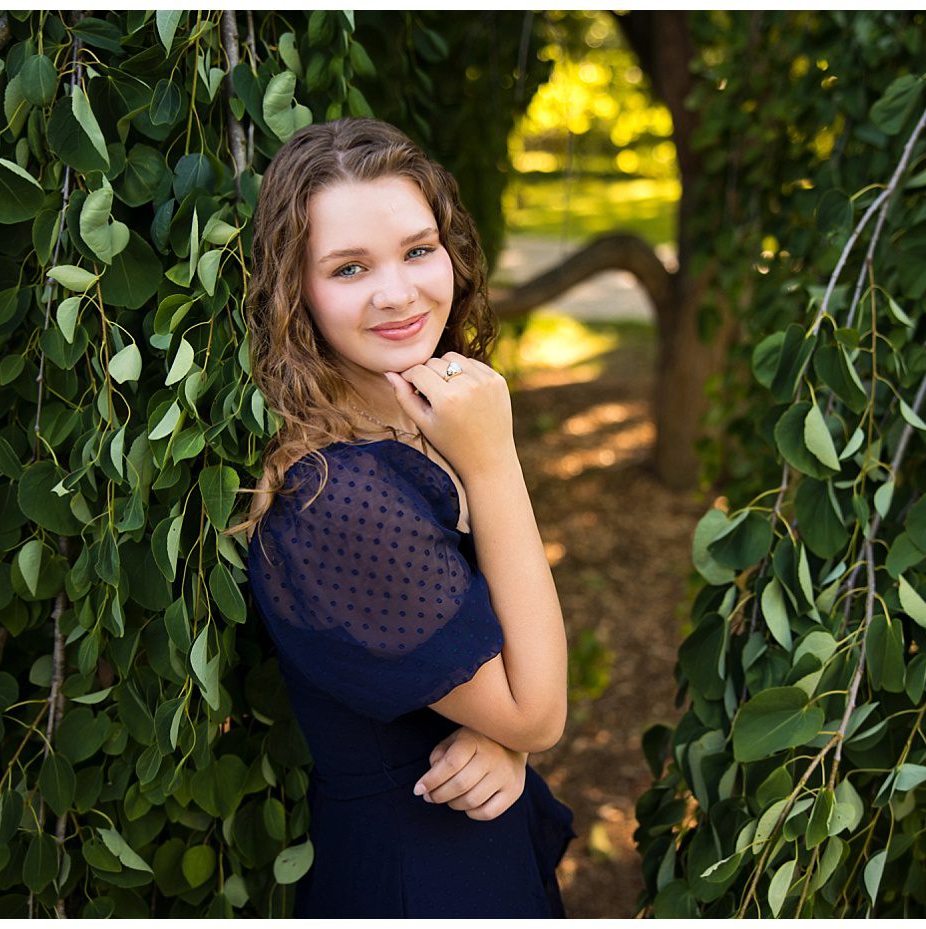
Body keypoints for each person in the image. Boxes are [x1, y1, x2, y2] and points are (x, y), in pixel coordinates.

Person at [238, 118, 577, 917]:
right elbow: (540, 705)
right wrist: (496, 462)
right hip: (419, 880)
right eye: (349, 267)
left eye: (419, 250)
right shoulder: (333, 498)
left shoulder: (418, 417)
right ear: (295, 290)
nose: (399, 293)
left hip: (471, 851)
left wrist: (508, 743)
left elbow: (509, 666)